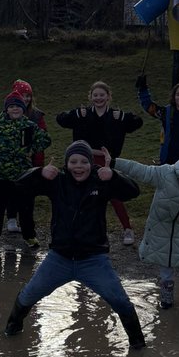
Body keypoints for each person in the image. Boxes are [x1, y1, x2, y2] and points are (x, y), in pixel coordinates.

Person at [3, 140, 146, 349]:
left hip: (94, 260)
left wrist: (114, 176)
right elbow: (19, 185)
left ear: (90, 163)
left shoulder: (101, 181)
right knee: (28, 296)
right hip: (58, 259)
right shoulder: (57, 181)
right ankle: (10, 333)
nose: (78, 167)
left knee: (120, 301)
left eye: (83, 162)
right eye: (73, 162)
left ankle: (138, 345)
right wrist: (39, 172)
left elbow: (133, 192)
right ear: (66, 163)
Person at [112, 149, 179, 309]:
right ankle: (166, 296)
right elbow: (139, 170)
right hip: (161, 227)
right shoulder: (165, 174)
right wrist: (114, 162)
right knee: (164, 261)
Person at [56, 80, 144, 245]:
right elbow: (60, 119)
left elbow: (138, 122)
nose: (98, 98)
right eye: (95, 95)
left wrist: (124, 116)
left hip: (106, 161)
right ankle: (75, 228)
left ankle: (127, 228)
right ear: (90, 97)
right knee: (79, 195)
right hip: (84, 161)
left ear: (108, 97)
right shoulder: (83, 113)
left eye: (102, 95)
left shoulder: (115, 115)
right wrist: (75, 114)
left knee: (114, 196)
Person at [0, 94, 51, 247]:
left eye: (18, 106)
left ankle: (29, 236)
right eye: (11, 106)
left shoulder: (29, 125)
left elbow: (45, 139)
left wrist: (32, 150)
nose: (15, 109)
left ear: (23, 109)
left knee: (26, 207)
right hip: (1, 175)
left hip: (24, 175)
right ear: (6, 109)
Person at [5, 78, 49, 234]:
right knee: (13, 187)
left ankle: (27, 219)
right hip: (12, 159)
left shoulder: (36, 115)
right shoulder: (8, 112)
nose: (26, 99)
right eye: (23, 95)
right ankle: (11, 217)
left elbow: (43, 135)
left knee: (29, 189)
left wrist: (35, 151)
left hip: (32, 157)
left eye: (28, 95)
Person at [135, 76, 179, 164]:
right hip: (168, 160)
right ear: (173, 97)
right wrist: (143, 89)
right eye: (178, 94)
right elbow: (149, 106)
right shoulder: (166, 113)